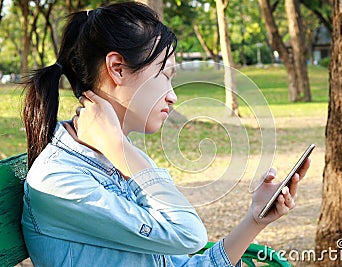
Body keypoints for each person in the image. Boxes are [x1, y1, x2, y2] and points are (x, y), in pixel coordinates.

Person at [21, 2, 311, 267]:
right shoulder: (61, 180)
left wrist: (255, 219)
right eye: (165, 75)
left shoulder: (113, 160)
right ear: (117, 68)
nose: (172, 96)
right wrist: (120, 149)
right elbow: (190, 236)